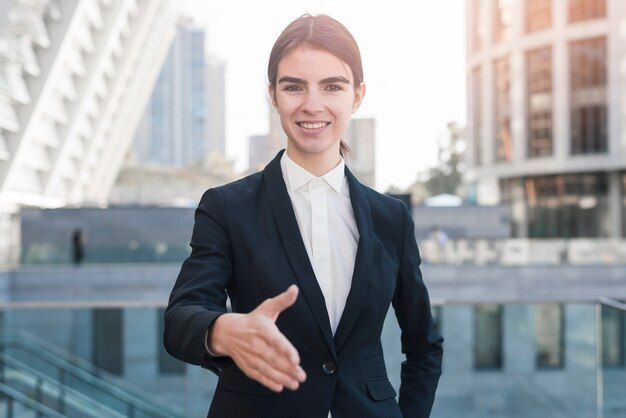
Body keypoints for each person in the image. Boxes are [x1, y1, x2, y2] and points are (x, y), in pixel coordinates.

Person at [164, 14, 443, 418]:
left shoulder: (391, 218)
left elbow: (423, 345)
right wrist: (224, 331)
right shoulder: (227, 207)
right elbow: (180, 319)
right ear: (273, 95)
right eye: (294, 87)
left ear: (358, 95)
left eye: (332, 86)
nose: (313, 105)